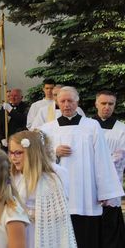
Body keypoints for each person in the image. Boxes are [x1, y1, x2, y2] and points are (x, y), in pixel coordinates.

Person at [40, 86, 124, 248]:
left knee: (86, 237)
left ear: (77, 102)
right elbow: (37, 159)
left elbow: (102, 159)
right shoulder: (47, 129)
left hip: (86, 194)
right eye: (62, 101)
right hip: (58, 193)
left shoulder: (91, 126)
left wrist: (105, 191)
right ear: (57, 102)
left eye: (70, 101)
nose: (66, 104)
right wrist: (53, 152)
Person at [9, 130, 76, 248]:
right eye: (11, 152)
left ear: (32, 153)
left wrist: (27, 214)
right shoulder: (14, 176)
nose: (13, 158)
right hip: (18, 233)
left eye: (18, 153)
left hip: (38, 232)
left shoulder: (50, 180)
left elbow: (58, 214)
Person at [93, 90, 125, 248]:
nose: (107, 107)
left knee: (110, 235)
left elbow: (119, 157)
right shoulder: (86, 126)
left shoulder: (121, 129)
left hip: (111, 186)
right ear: (96, 104)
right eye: (103, 103)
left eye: (110, 104)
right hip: (88, 187)